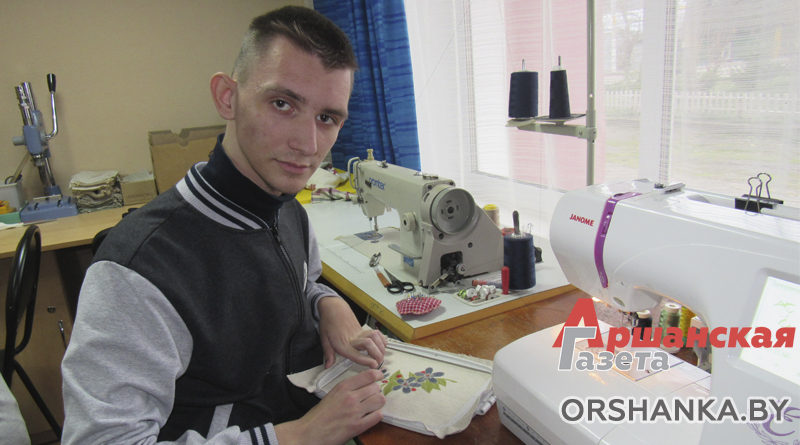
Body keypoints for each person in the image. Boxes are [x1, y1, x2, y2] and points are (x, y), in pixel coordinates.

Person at [62, 6, 387, 445]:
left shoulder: (288, 210)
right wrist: (298, 436)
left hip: (297, 405)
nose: (309, 145)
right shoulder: (137, 270)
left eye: (327, 118)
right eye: (282, 104)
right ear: (227, 97)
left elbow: (296, 285)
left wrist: (325, 303)